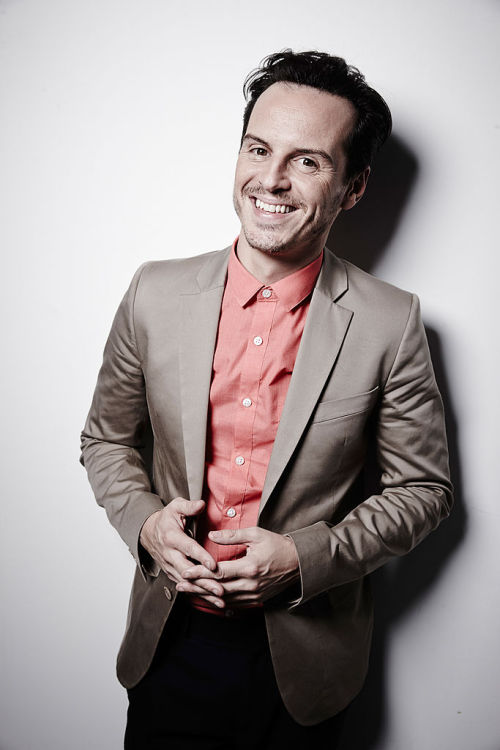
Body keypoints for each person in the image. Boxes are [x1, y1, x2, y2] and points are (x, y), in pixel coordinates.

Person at [80, 50, 452, 749]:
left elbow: (425, 491)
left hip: (305, 666)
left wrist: (307, 558)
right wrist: (146, 526)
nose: (272, 180)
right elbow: (104, 441)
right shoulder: (153, 293)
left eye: (309, 162)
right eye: (259, 149)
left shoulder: (391, 322)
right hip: (169, 639)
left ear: (355, 186)